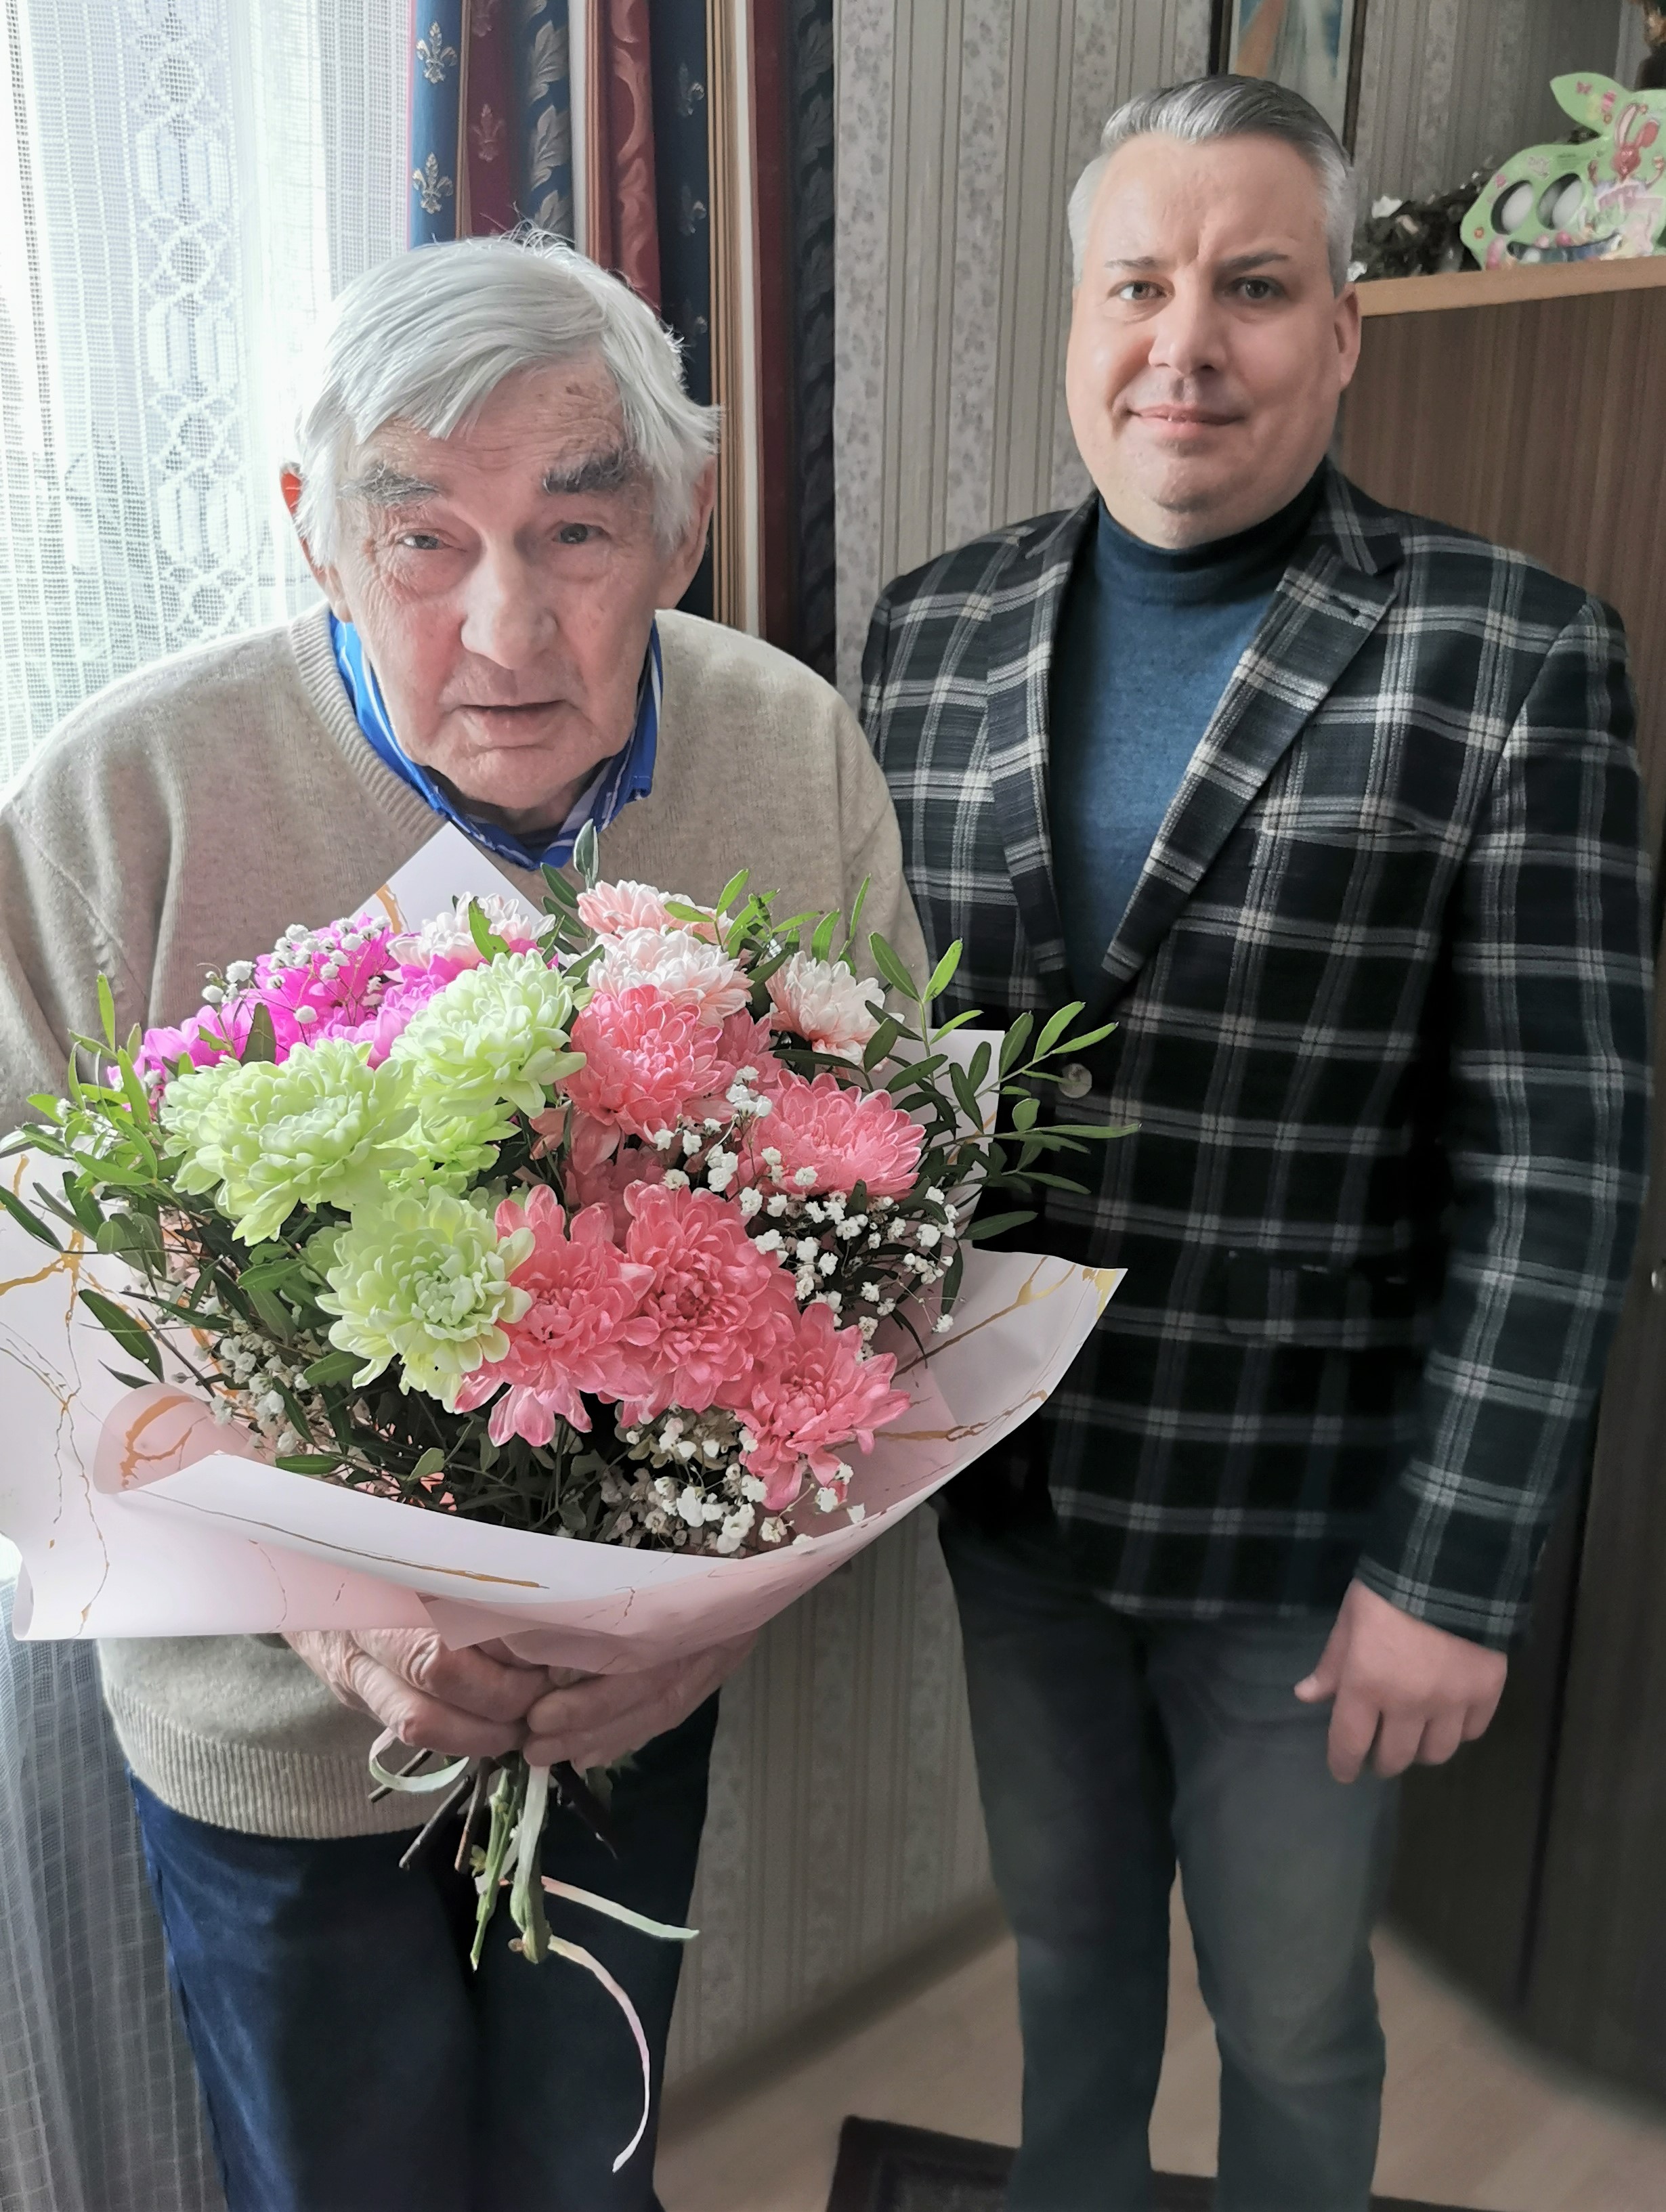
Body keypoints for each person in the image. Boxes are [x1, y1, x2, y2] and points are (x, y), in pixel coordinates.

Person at [0, 230, 925, 2212]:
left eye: (576, 531)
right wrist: (326, 1610)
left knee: (590, 2174)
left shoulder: (790, 750)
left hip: (626, 1707)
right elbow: (17, 1299)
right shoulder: (115, 804)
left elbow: (896, 1231)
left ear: (680, 528)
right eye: (420, 538)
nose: (506, 628)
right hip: (269, 1738)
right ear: (312, 534)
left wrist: (712, 1610)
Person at [861, 76, 1653, 2212]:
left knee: (1293, 2015)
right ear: (1076, 320)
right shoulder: (926, 632)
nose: (1182, 343)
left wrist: (1448, 1570)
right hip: (1008, 1488)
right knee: (1068, 1965)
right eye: (1135, 284)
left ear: (1342, 330)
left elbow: (1562, 1161)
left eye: (1252, 286)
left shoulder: (1512, 654)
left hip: (1308, 1531)